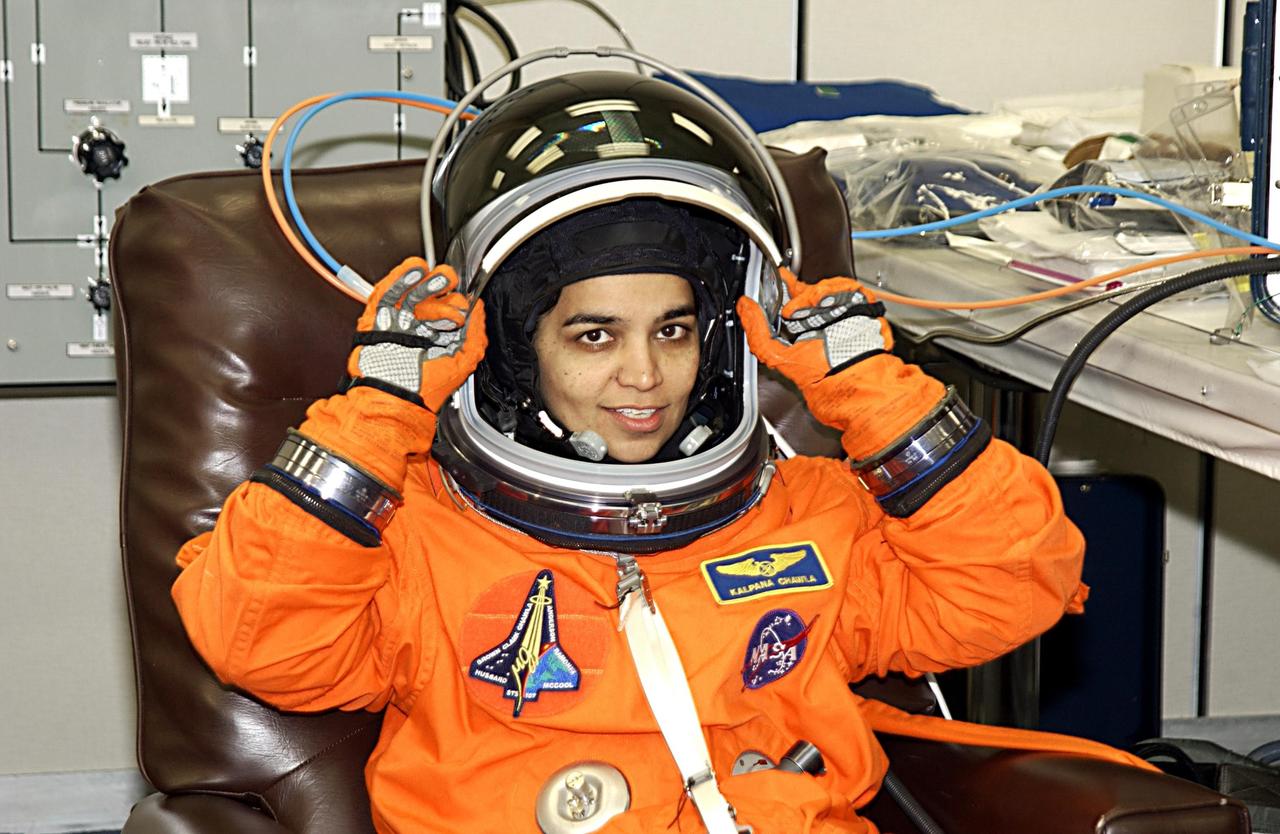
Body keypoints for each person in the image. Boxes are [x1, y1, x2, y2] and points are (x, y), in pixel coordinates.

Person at [171, 72, 1092, 834]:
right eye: (595, 335)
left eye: (675, 330)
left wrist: (873, 389)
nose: (645, 376)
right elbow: (261, 639)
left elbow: (1013, 586)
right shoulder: (420, 537)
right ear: (516, 351)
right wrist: (381, 407)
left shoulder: (809, 516)